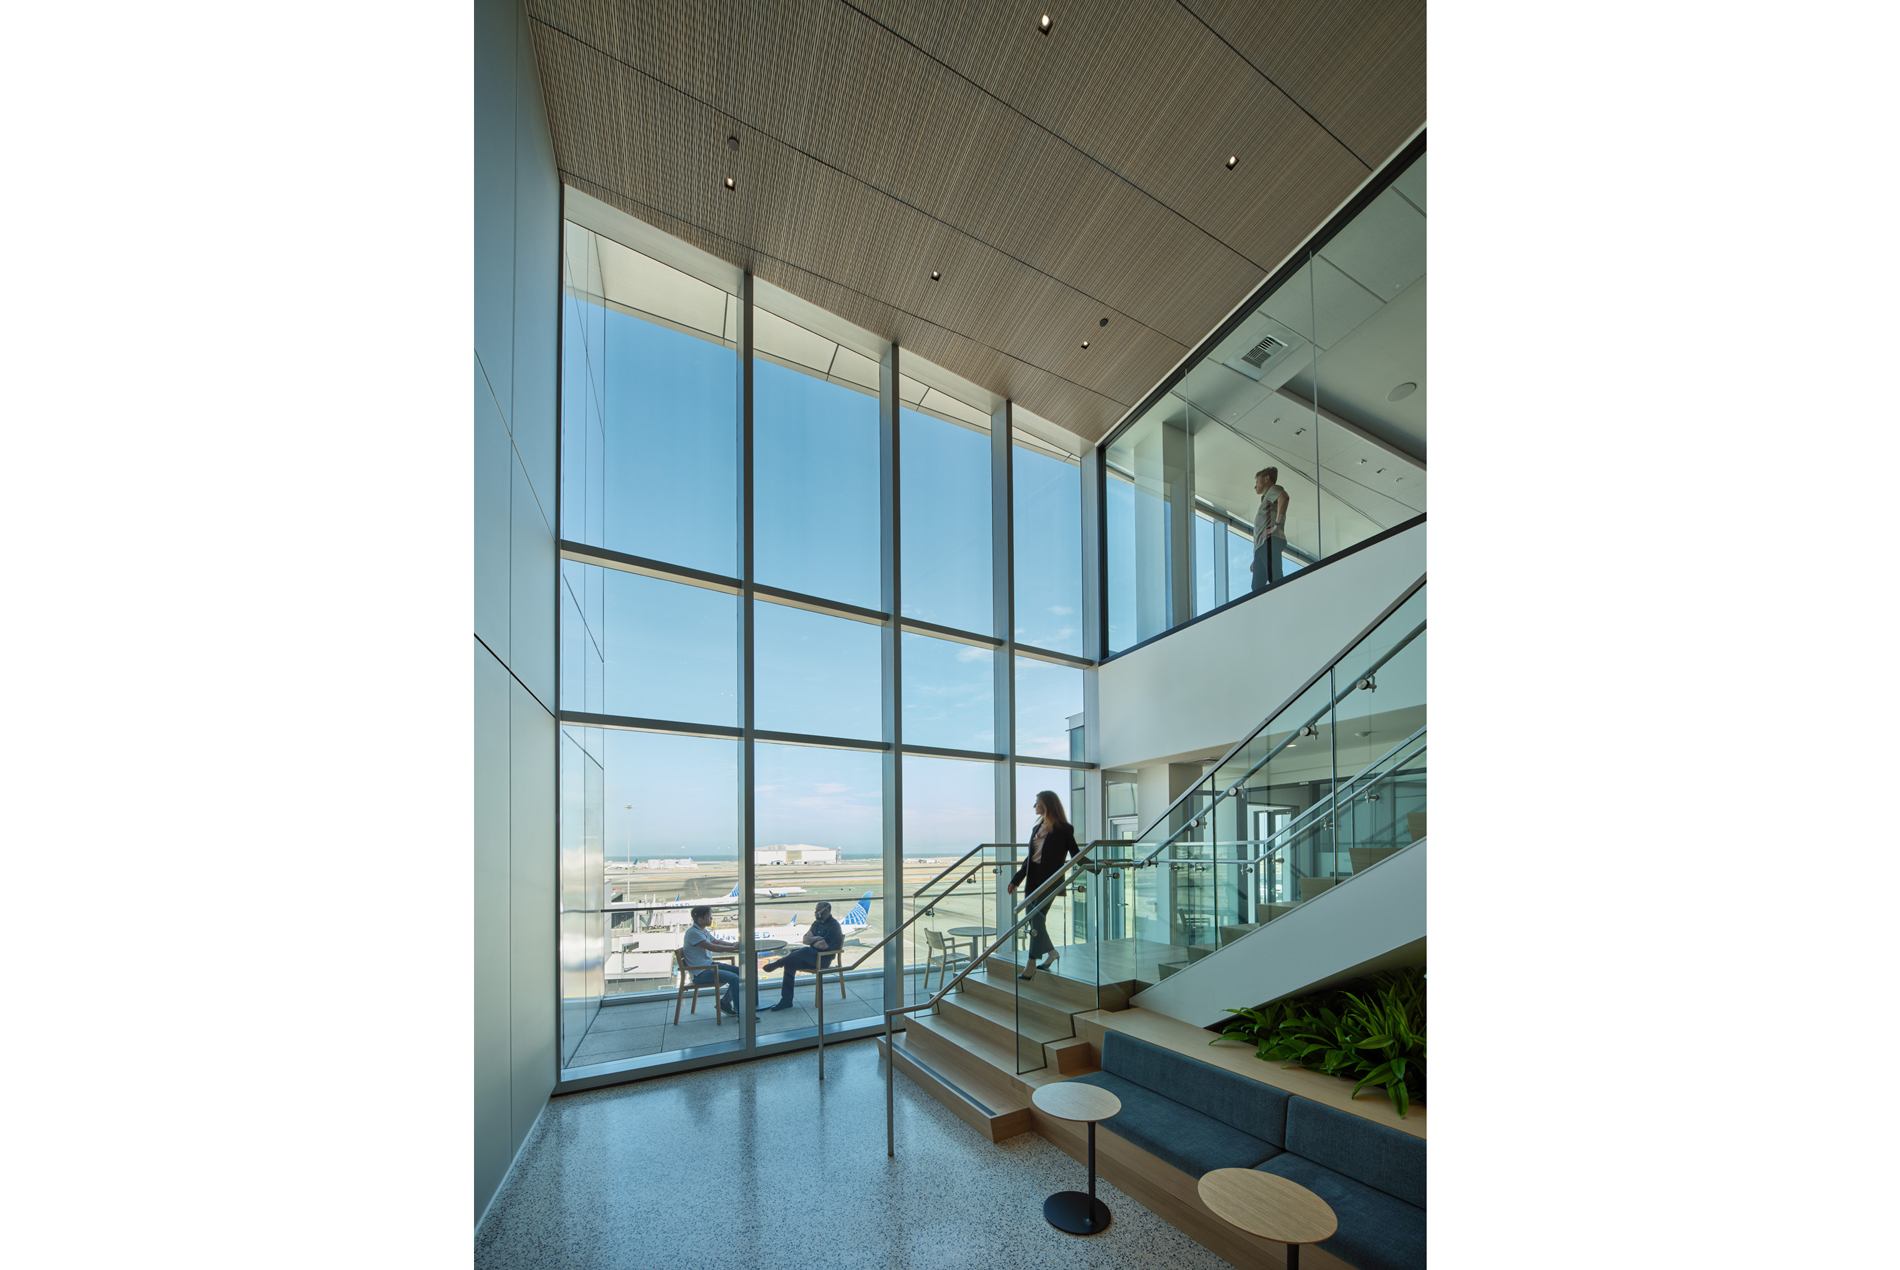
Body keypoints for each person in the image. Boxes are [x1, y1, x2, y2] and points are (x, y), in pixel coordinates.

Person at [1007, 790, 1079, 981]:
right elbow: (1030, 859)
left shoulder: (1064, 829)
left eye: (1037, 802)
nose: (1034, 806)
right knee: (1034, 920)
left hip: (1049, 881)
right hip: (1032, 879)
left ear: (1046, 804)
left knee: (1035, 919)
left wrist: (1095, 867)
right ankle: (1052, 953)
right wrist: (1016, 879)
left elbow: (1076, 854)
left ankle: (1031, 964)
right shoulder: (1037, 828)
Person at [761, 900, 844, 1011]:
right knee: (791, 961)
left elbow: (823, 946)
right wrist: (816, 939)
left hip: (823, 959)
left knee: (804, 951)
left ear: (828, 911)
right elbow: (805, 939)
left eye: (820, 910)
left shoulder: (834, 926)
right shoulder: (816, 924)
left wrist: (812, 940)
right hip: (811, 956)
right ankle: (786, 1000)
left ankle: (777, 963)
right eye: (816, 910)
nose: (817, 913)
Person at [681, 904, 744, 1018]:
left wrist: (733, 945)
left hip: (709, 966)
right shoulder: (693, 933)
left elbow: (716, 942)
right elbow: (712, 947)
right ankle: (741, 1013)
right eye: (709, 916)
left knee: (741, 972)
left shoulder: (702, 930)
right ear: (700, 919)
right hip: (701, 973)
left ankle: (724, 1003)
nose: (711, 918)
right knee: (735, 978)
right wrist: (733, 948)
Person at [1251, 466, 1290, 593]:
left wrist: (1278, 524)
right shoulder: (1265, 498)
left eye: (1257, 481)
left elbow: (1284, 497)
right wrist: (1256, 558)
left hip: (1269, 541)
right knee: (1256, 587)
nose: (1255, 486)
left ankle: (1282, 601)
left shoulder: (1272, 490)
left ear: (1267, 478)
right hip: (1261, 546)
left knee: (1275, 577)